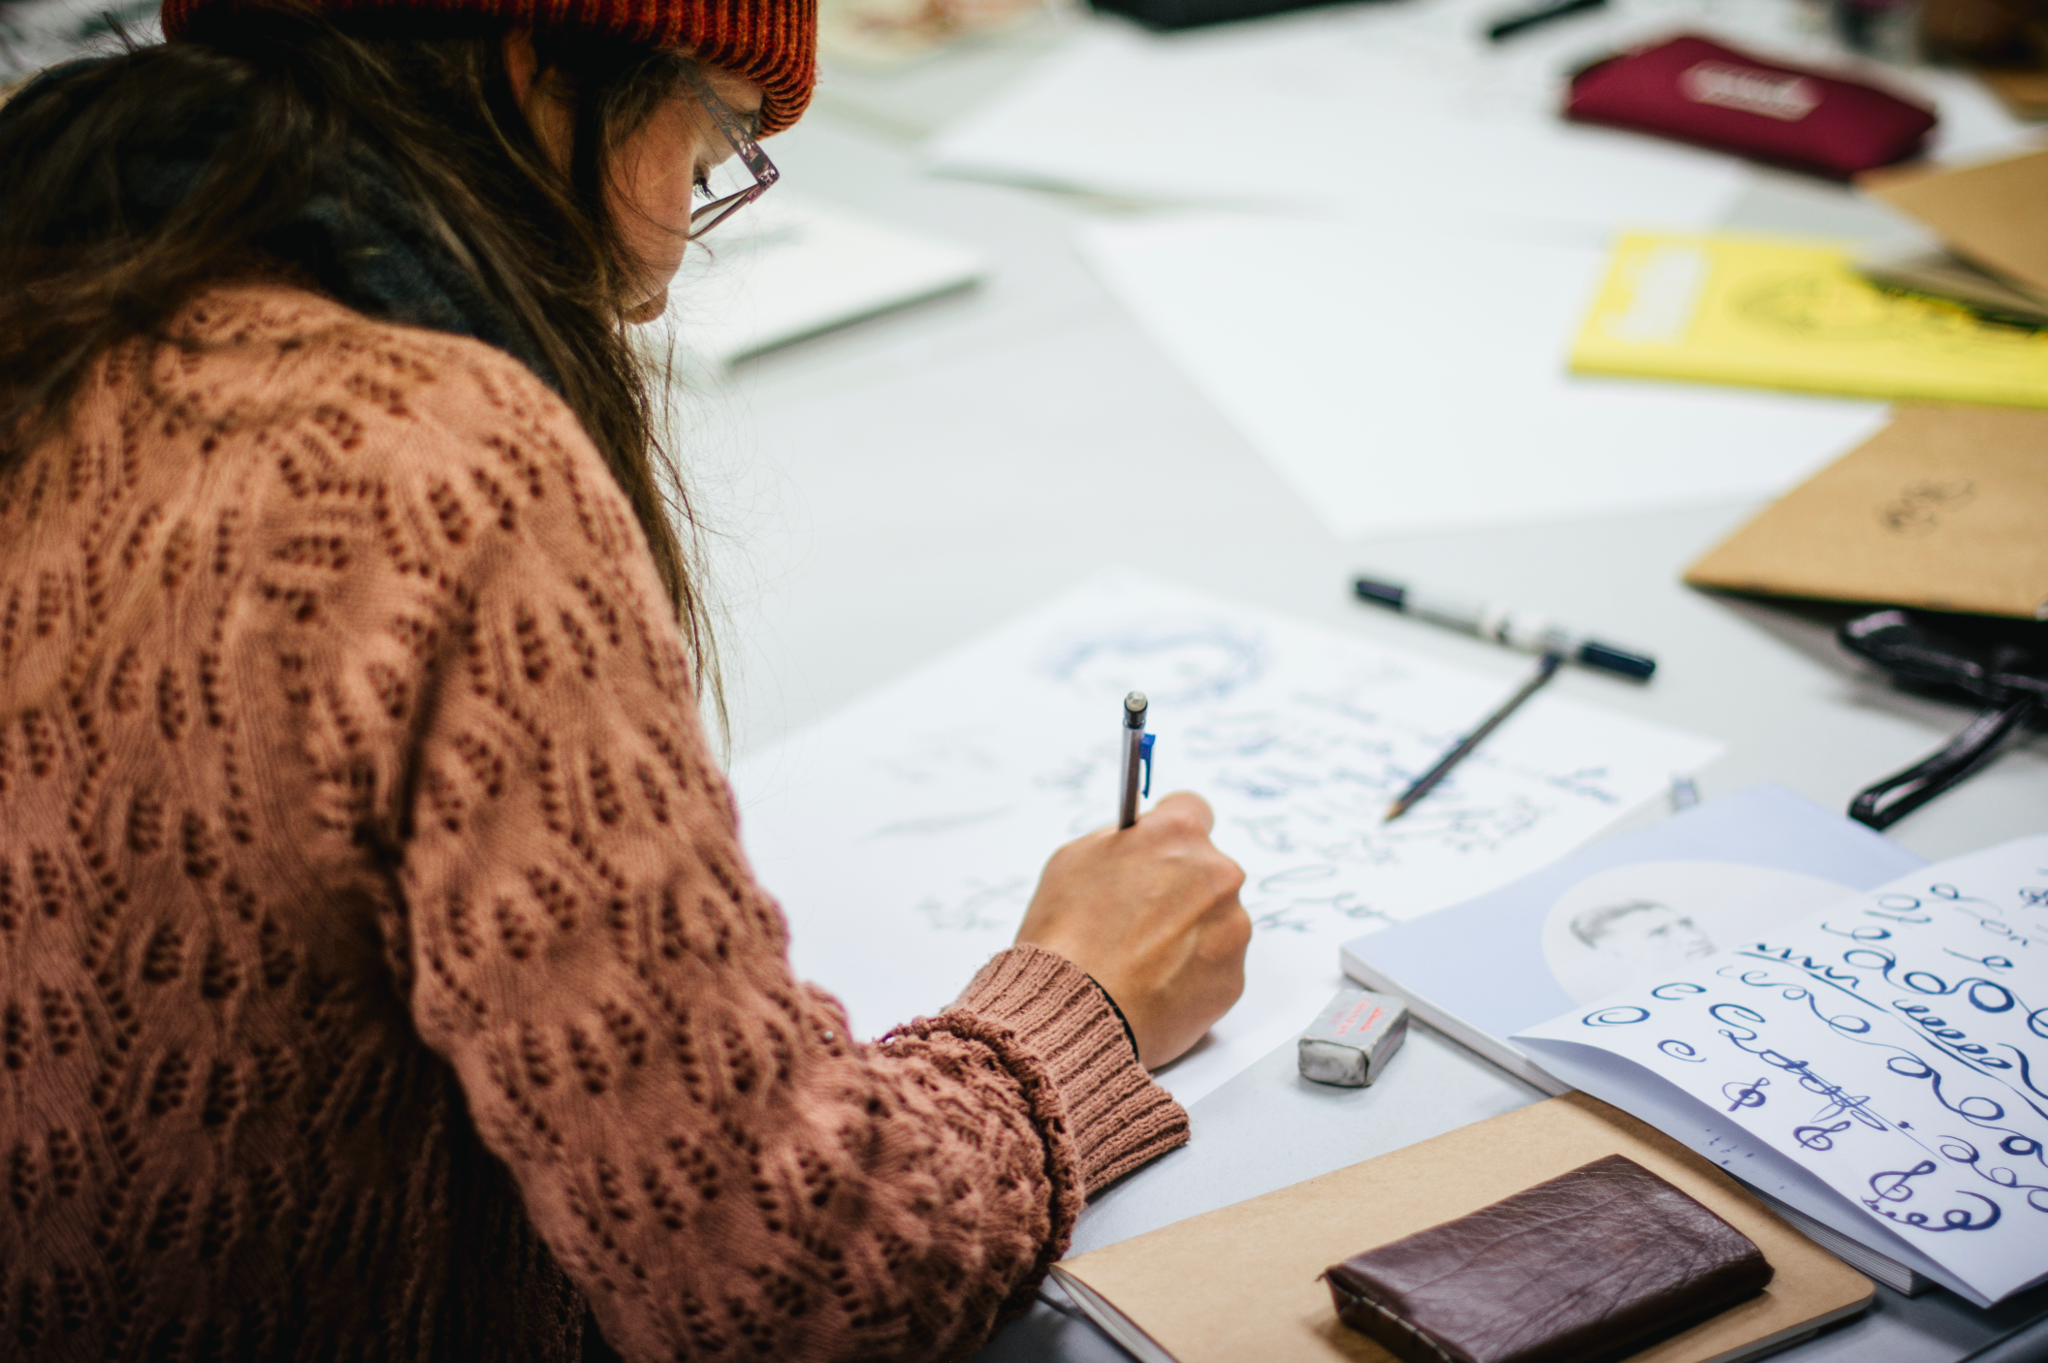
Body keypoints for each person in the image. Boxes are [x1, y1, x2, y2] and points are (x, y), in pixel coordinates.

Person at [0, 1, 1253, 1358]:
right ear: (541, 63)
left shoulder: (60, 267)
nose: (655, 285)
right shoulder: (438, 472)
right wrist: (1076, 1005)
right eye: (711, 152)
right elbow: (797, 1280)